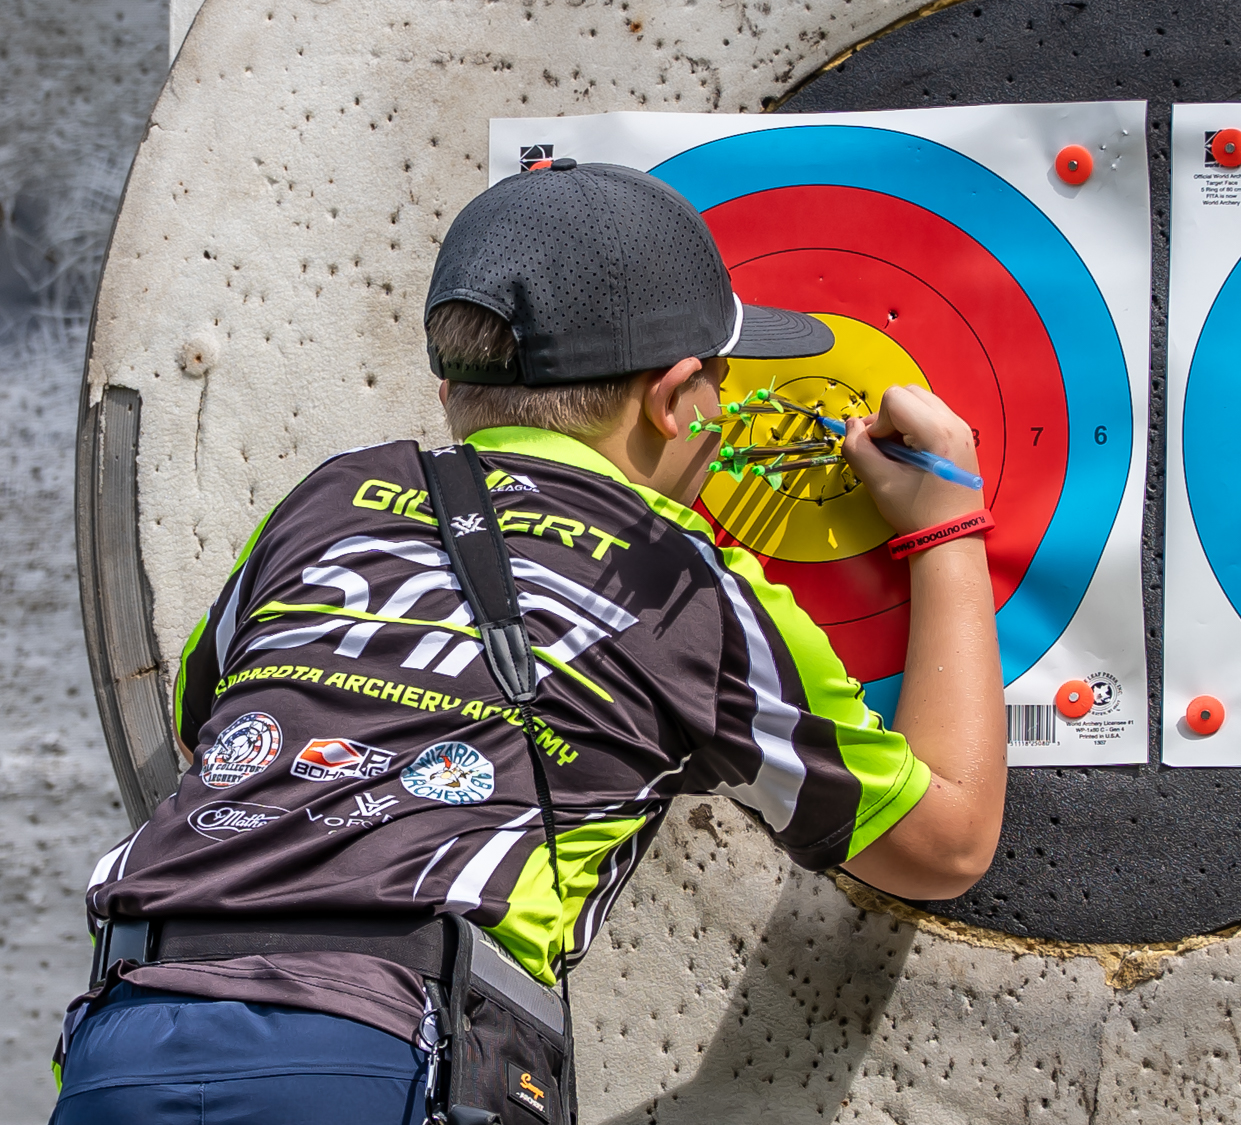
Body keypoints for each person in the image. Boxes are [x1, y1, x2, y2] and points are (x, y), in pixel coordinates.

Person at [50, 160, 1006, 1123]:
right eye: (722, 378)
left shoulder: (327, 498)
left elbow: (203, 729)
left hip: (124, 1035)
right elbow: (946, 841)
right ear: (677, 400)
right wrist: (945, 525)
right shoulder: (681, 582)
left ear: (449, 386)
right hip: (377, 1051)